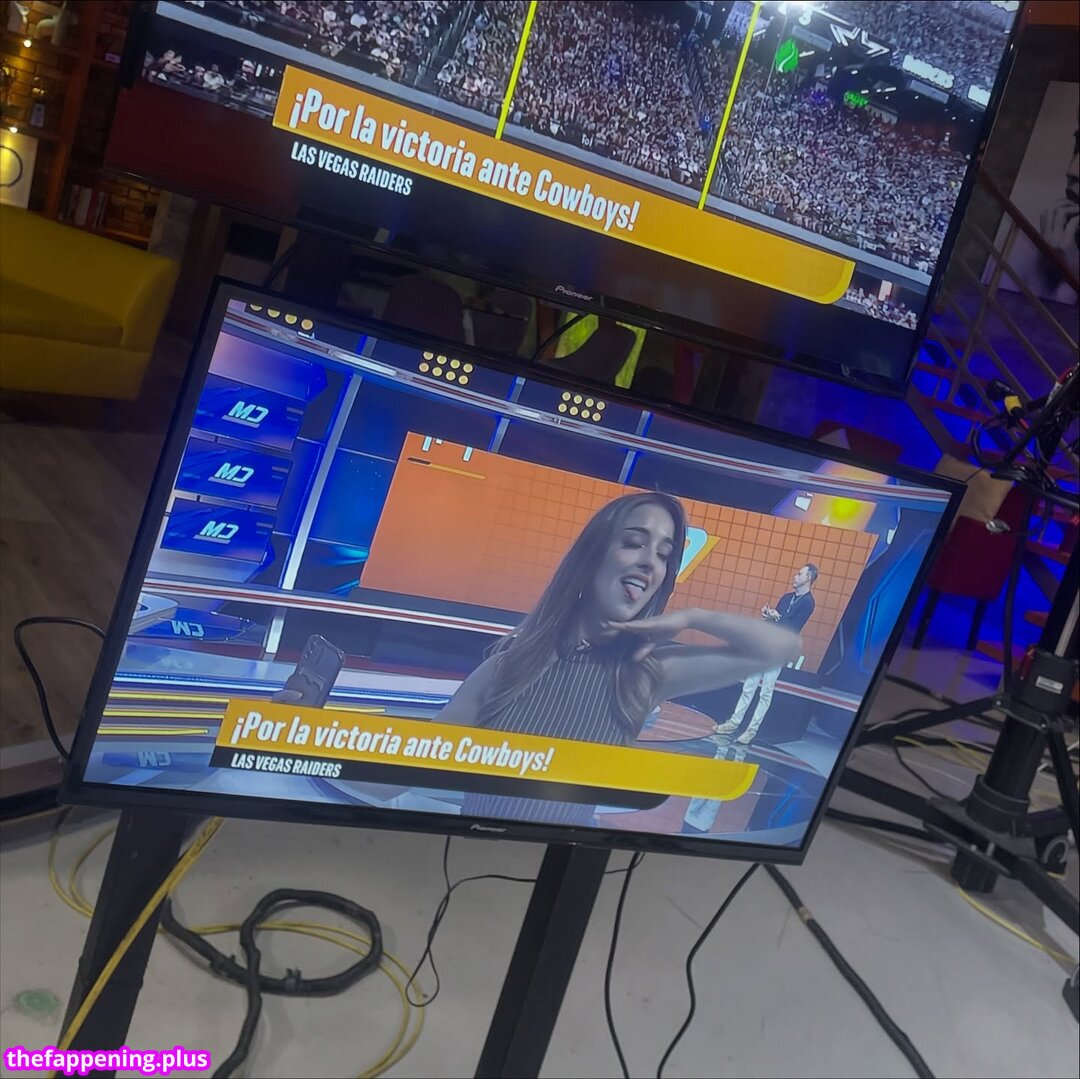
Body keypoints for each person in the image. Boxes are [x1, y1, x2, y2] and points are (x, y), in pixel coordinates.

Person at [436, 492, 801, 825]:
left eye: (663, 555)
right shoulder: (504, 668)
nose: (649, 563)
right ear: (592, 555)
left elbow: (781, 648)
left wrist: (694, 617)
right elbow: (412, 763)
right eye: (634, 543)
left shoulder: (644, 673)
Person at [714, 563, 818, 746]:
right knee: (749, 686)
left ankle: (751, 730)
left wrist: (777, 617)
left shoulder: (808, 603)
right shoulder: (786, 597)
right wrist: (768, 616)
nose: (795, 576)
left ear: (808, 578)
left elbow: (793, 628)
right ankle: (733, 723)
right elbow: (774, 623)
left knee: (766, 691)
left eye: (799, 574)